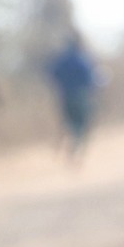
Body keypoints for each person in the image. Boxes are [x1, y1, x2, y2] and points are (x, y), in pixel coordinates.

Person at [45, 31, 102, 162]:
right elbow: (91, 77)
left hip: (65, 95)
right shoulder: (82, 59)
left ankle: (60, 146)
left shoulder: (61, 60)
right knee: (81, 124)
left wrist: (60, 86)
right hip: (81, 95)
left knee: (67, 122)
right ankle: (75, 149)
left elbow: (52, 73)